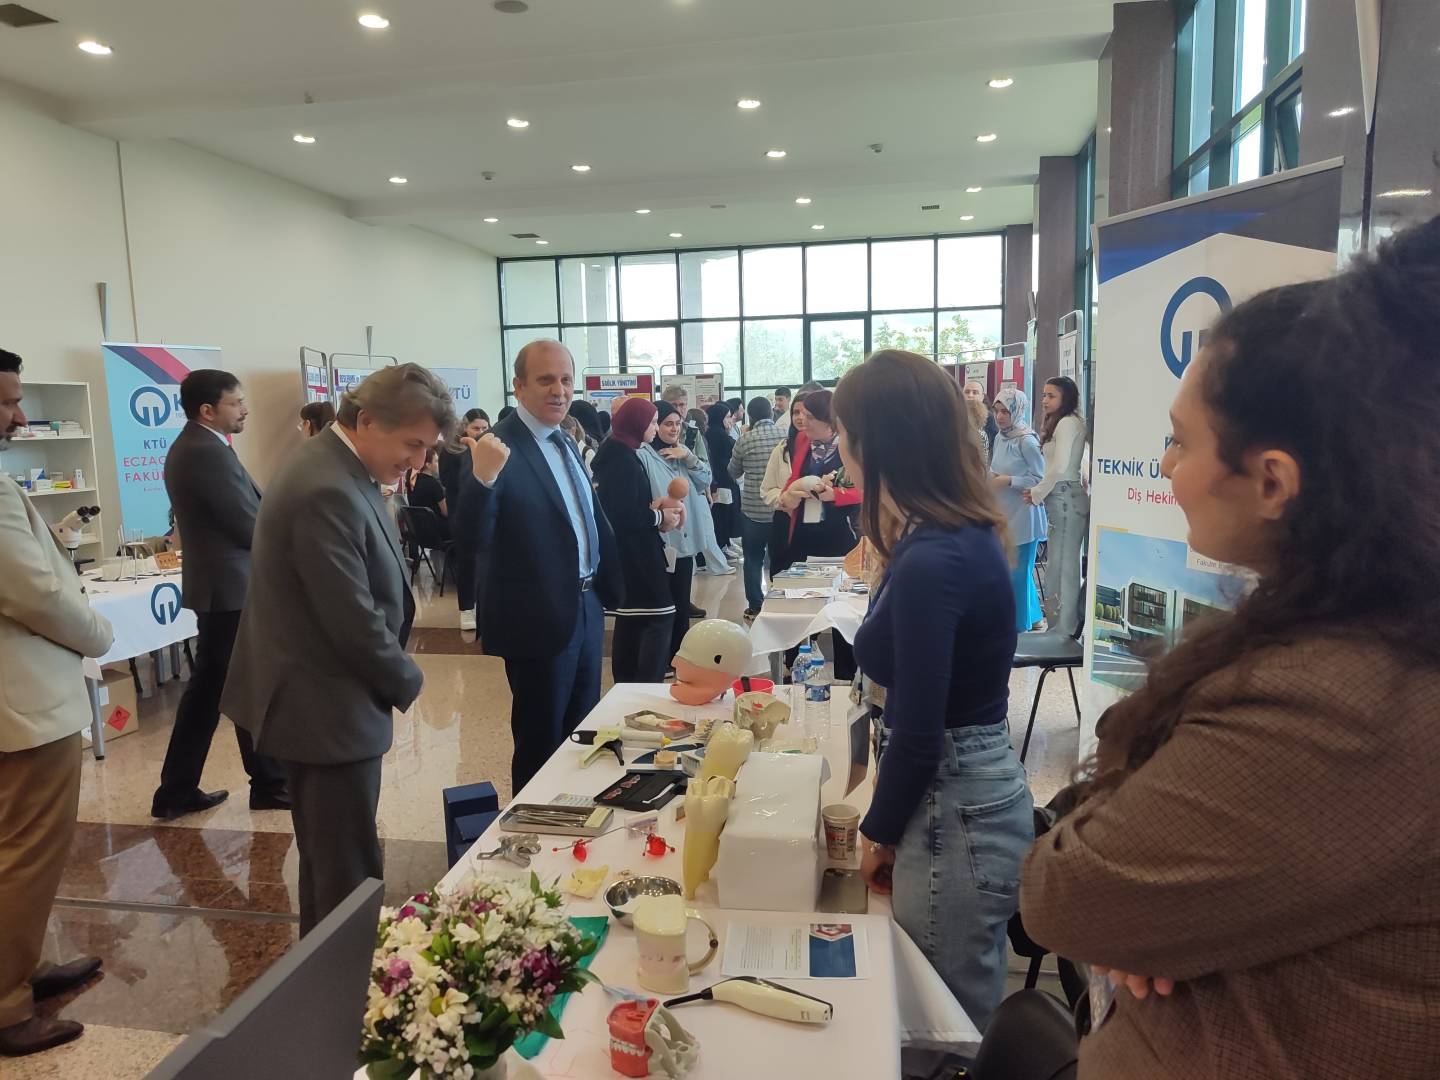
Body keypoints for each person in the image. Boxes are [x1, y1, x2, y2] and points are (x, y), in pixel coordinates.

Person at [1020, 218, 1440, 1079]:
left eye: (1180, 440)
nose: (1162, 466)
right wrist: (1166, 921)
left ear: (1273, 480)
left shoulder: (1338, 700)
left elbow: (1063, 894)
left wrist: (1143, 914)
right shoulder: (1350, 633)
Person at [835, 349, 1029, 1034]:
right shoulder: (946, 532)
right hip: (959, 791)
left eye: (844, 432)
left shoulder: (934, 555)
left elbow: (920, 732)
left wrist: (878, 832)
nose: (839, 448)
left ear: (875, 443)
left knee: (946, 1031)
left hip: (952, 800)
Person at [222, 364, 450, 934]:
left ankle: (332, 969)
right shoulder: (324, 485)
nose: (418, 461)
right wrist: (408, 678)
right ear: (367, 420)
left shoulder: (340, 467)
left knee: (336, 861)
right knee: (344, 870)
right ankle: (344, 980)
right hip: (321, 704)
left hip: (333, 700)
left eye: (426, 449)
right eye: (412, 444)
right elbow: (350, 617)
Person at [0, 349, 115, 1057]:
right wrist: (99, 631)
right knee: (25, 851)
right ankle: (6, 1003)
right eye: (7, 402)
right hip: (22, 704)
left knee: (17, 849)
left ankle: (24, 963)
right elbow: (34, 592)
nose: (19, 416)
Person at [458, 341, 623, 791]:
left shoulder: (564, 440)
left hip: (585, 606)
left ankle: (576, 814)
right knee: (541, 742)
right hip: (536, 616)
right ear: (518, 386)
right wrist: (483, 479)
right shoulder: (497, 447)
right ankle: (535, 824)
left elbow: (583, 517)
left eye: (566, 380)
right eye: (546, 380)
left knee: (582, 735)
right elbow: (470, 539)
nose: (559, 390)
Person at [152, 370, 290, 820]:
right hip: (229, 590)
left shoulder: (205, 445)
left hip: (228, 587)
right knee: (236, 686)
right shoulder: (202, 451)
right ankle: (265, 783)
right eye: (237, 402)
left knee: (214, 688)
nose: (245, 409)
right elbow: (247, 524)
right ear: (208, 410)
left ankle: (180, 789)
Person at [592, 398, 682, 683]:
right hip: (635, 555)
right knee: (659, 615)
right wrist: (659, 516)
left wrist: (653, 510)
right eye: (653, 422)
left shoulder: (621, 453)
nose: (655, 428)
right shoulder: (622, 460)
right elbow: (623, 515)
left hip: (631, 552)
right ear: (637, 424)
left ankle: (628, 684)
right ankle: (645, 685)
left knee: (632, 617)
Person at [776, 389, 862, 679]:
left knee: (842, 605)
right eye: (800, 414)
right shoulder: (802, 441)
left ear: (830, 421)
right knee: (799, 601)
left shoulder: (851, 444)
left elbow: (866, 489)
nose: (803, 421)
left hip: (840, 533)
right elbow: (793, 478)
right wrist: (790, 493)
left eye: (810, 417)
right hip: (803, 531)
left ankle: (847, 675)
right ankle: (795, 666)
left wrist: (834, 494)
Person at [639, 402, 713, 663]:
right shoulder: (644, 455)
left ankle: (678, 658)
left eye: (677, 424)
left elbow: (706, 480)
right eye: (667, 424)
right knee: (663, 605)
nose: (673, 429)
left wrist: (688, 457)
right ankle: (661, 658)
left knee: (681, 602)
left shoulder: (683, 453)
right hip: (659, 541)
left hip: (684, 542)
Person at [1023, 376, 1089, 637]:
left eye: (1051, 396)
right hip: (1062, 497)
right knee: (1060, 566)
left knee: (1063, 568)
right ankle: (1060, 629)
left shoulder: (1067, 423)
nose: (1045, 400)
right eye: (1044, 395)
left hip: (1064, 497)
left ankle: (1063, 631)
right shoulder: (1064, 423)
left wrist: (1037, 492)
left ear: (1066, 398)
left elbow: (1060, 466)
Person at [989, 388, 1046, 632]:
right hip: (1004, 512)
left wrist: (1009, 481)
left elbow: (1040, 479)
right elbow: (996, 467)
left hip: (1024, 514)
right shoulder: (1000, 437)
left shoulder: (1027, 441)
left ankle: (1019, 625)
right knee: (1013, 571)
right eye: (997, 411)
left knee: (1019, 573)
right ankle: (1034, 617)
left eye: (1006, 411)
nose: (1000, 417)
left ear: (1018, 411)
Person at [729, 395, 785, 618]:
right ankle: (781, 602)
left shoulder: (745, 440)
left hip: (753, 512)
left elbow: (733, 472)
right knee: (781, 559)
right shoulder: (785, 436)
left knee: (753, 559)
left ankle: (755, 605)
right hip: (781, 509)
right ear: (771, 413)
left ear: (750, 416)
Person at [440, 408, 489, 633]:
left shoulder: (492, 447)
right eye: (475, 428)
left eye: (484, 427)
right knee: (467, 561)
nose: (480, 432)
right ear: (465, 428)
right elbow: (449, 481)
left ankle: (486, 606)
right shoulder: (452, 450)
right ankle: (467, 608)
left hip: (485, 512)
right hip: (461, 512)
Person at [762, 393, 809, 576]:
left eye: (806, 413)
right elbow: (766, 490)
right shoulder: (782, 449)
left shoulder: (825, 451)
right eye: (796, 412)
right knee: (782, 577)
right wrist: (784, 499)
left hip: (813, 523)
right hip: (784, 521)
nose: (800, 418)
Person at [705, 401, 739, 556]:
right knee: (722, 515)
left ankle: (725, 543)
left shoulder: (716, 431)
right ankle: (722, 545)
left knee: (726, 513)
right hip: (721, 480)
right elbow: (734, 447)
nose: (730, 420)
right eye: (727, 417)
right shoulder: (717, 433)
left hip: (723, 479)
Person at [405, 448, 447, 518]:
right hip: (436, 523)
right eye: (436, 461)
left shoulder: (411, 481)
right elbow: (445, 512)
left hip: (417, 524)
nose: (439, 464)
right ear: (428, 465)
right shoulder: (434, 484)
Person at [964, 379, 998, 462]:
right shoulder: (956, 414)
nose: (970, 395)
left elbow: (993, 445)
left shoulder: (989, 417)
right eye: (967, 392)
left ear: (982, 397)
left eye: (975, 392)